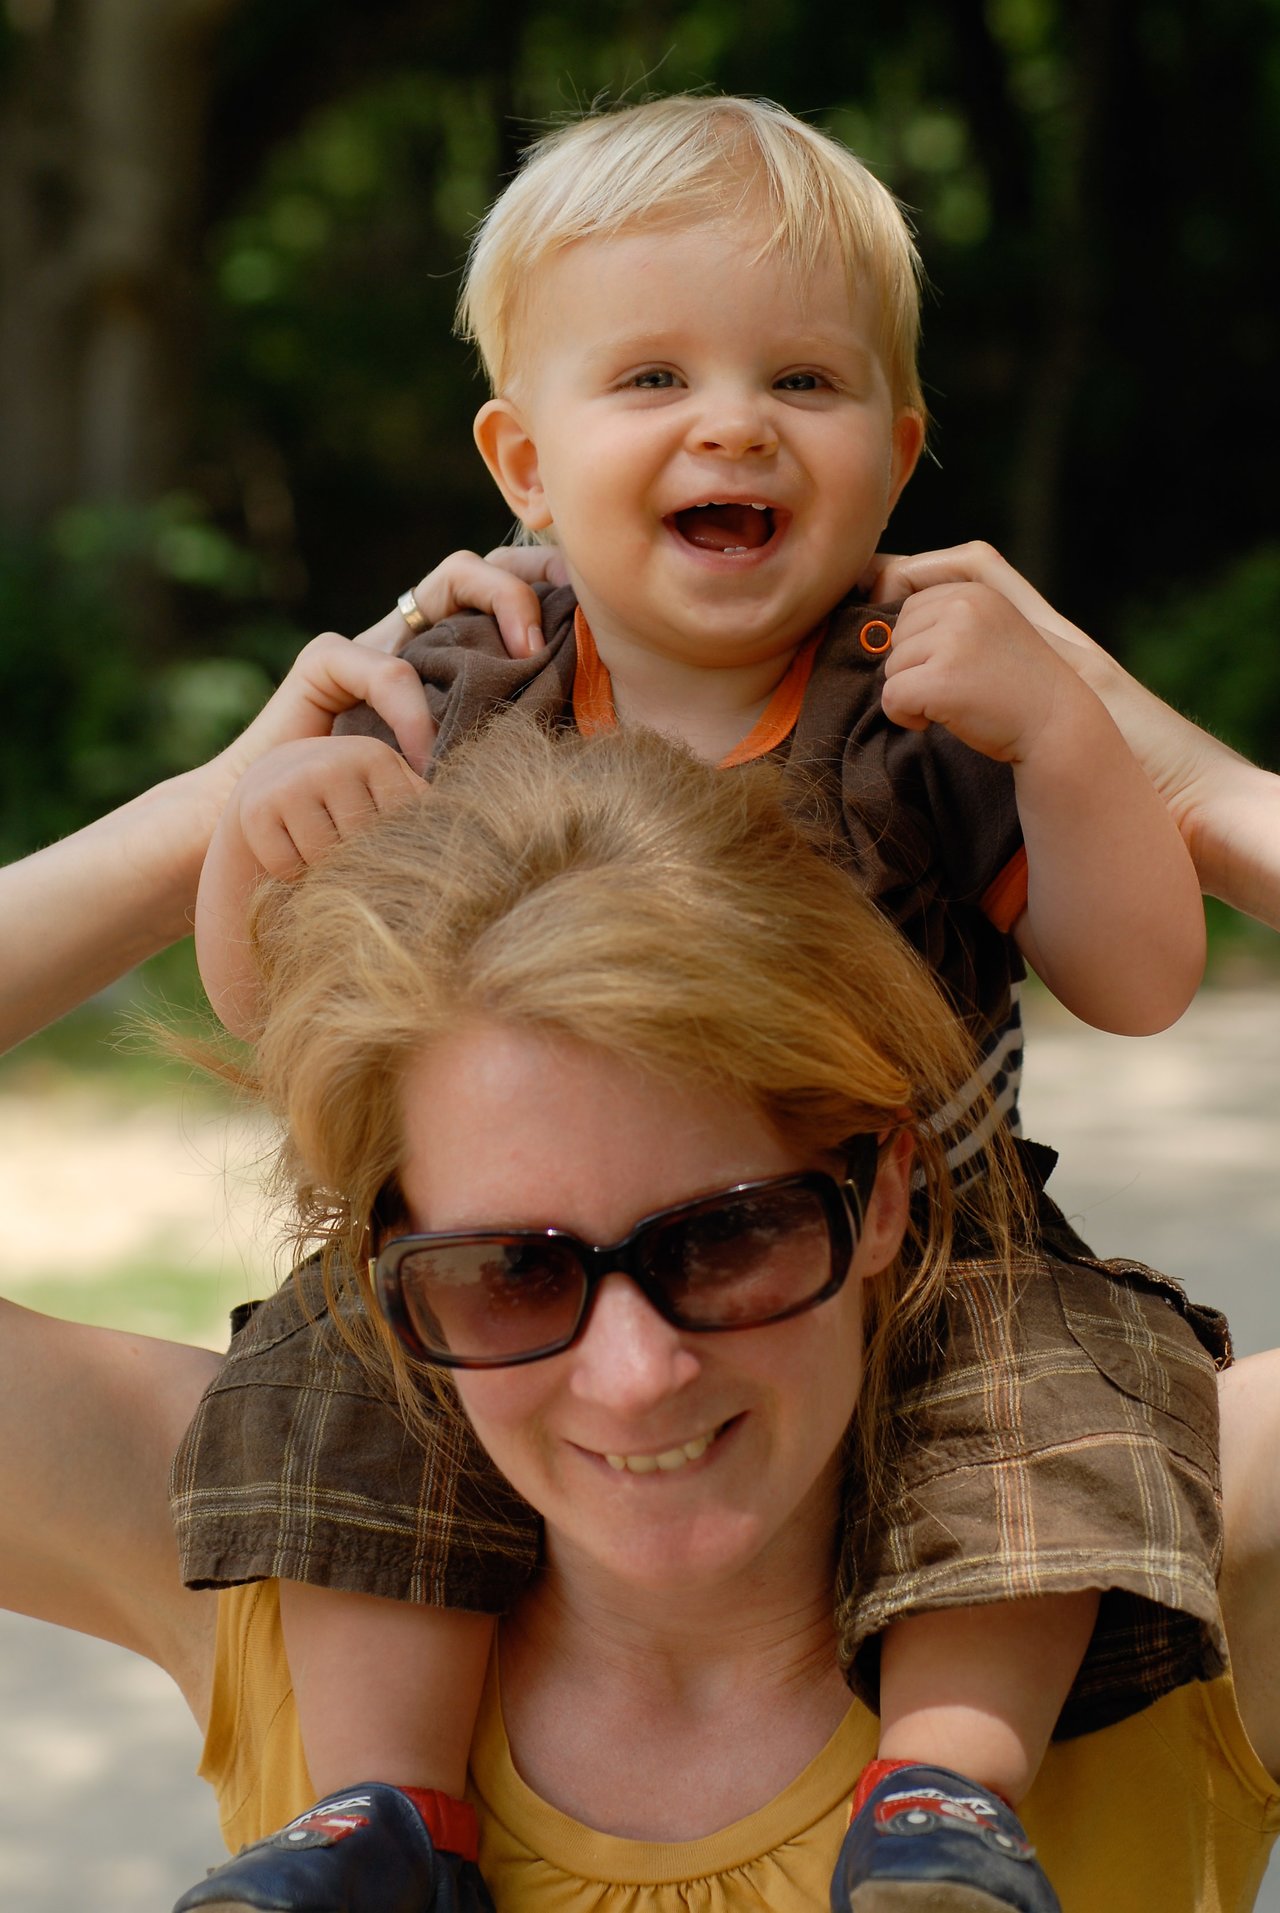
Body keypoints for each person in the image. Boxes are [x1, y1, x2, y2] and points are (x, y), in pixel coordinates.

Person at [178, 94, 1220, 1913]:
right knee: (341, 1355)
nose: (733, 421)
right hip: (525, 1274)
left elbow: (1142, 982)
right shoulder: (460, 695)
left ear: (899, 453)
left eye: (803, 381)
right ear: (523, 461)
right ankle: (381, 1811)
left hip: (938, 1262)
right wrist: (252, 827)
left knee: (1063, 1397)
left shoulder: (925, 701)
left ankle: (945, 1794)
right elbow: (279, 1014)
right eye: (652, 376)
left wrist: (1074, 734)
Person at [1, 714, 1278, 1913]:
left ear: (882, 1193)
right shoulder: (271, 1537)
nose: (633, 1372)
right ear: (390, 1269)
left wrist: (1188, 791)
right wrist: (215, 807)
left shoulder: (1158, 1534)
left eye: (724, 1236)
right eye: (511, 1268)